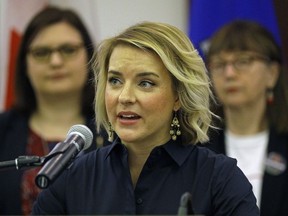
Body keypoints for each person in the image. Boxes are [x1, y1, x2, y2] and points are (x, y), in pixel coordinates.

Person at [32, 21, 259, 215]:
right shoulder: (74, 177)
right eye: (115, 81)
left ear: (178, 97)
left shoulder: (218, 178)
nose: (125, 96)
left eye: (145, 83)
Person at [0, 6, 108, 215]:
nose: (56, 61)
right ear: (25, 64)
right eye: (42, 53)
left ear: (89, 58)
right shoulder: (2, 131)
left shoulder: (117, 132)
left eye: (68, 50)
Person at [205, 20, 288, 216]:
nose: (229, 73)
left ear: (272, 73)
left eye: (243, 61)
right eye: (219, 64)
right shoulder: (196, 148)